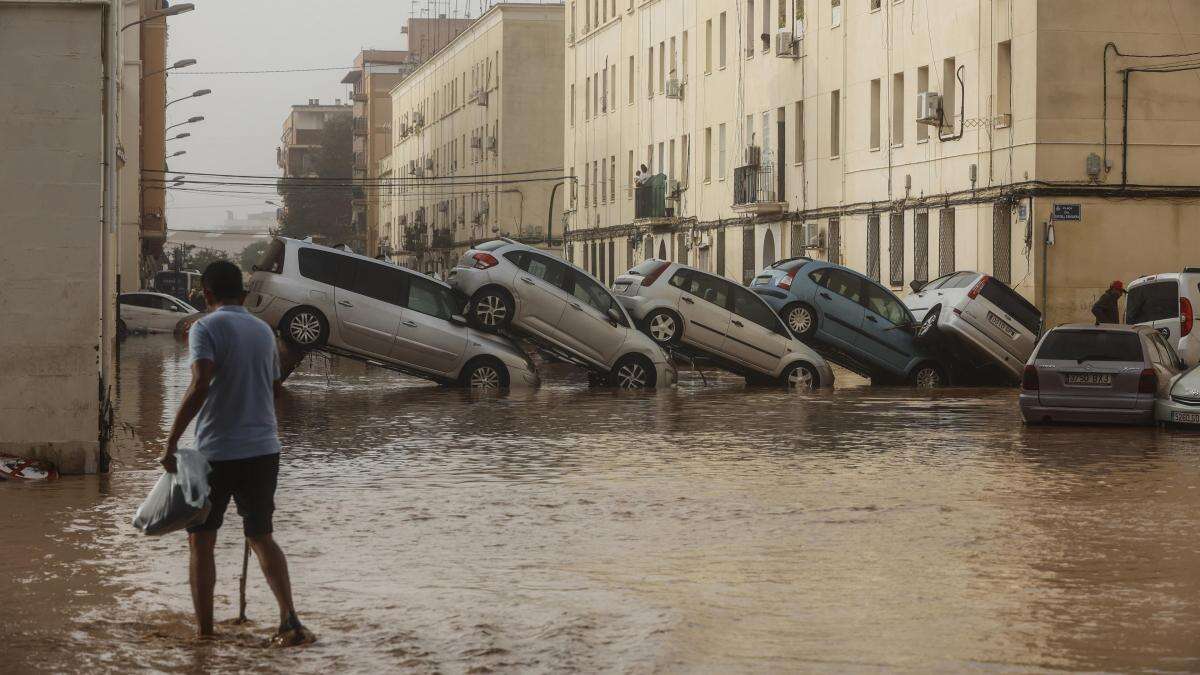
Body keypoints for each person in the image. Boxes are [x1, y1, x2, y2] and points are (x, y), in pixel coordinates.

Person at [161, 260, 315, 647]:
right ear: (243, 294)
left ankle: (205, 636)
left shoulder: (205, 327)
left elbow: (199, 385)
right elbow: (276, 389)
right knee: (261, 535)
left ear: (206, 294)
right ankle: (290, 620)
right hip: (265, 450)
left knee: (201, 540)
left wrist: (171, 441)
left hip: (216, 451)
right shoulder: (264, 331)